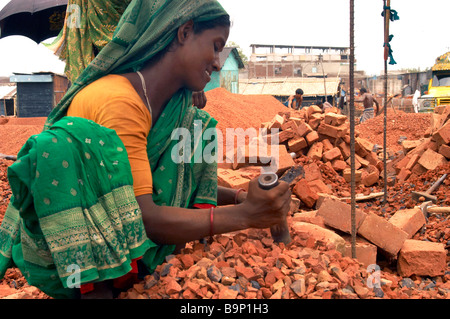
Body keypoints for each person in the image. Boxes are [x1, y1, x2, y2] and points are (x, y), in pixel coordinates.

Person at [0, 0, 291, 299]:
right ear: (185, 32)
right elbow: (145, 217)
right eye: (215, 46)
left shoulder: (170, 106)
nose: (218, 62)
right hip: (70, 253)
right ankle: (99, 285)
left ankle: (148, 264)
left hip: (131, 228)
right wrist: (247, 215)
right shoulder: (120, 103)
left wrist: (242, 196)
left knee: (196, 126)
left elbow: (162, 182)